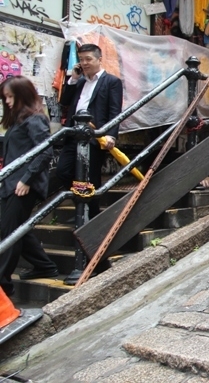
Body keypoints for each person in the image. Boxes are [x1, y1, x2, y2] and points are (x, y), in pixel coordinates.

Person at [1, 76, 59, 297]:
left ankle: (3, 283)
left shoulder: (34, 119)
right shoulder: (19, 120)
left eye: (10, 96)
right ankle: (45, 265)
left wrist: (26, 179)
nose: (6, 101)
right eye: (5, 97)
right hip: (11, 183)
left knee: (9, 232)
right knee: (15, 228)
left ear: (22, 95)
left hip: (23, 184)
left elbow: (45, 152)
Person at [56, 43, 123, 220]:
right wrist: (73, 79)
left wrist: (110, 135)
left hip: (95, 137)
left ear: (99, 59)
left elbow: (115, 111)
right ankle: (82, 206)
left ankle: (91, 216)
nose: (84, 63)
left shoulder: (112, 82)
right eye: (81, 59)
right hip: (74, 134)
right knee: (63, 171)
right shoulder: (80, 81)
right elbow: (64, 101)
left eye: (88, 59)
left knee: (91, 177)